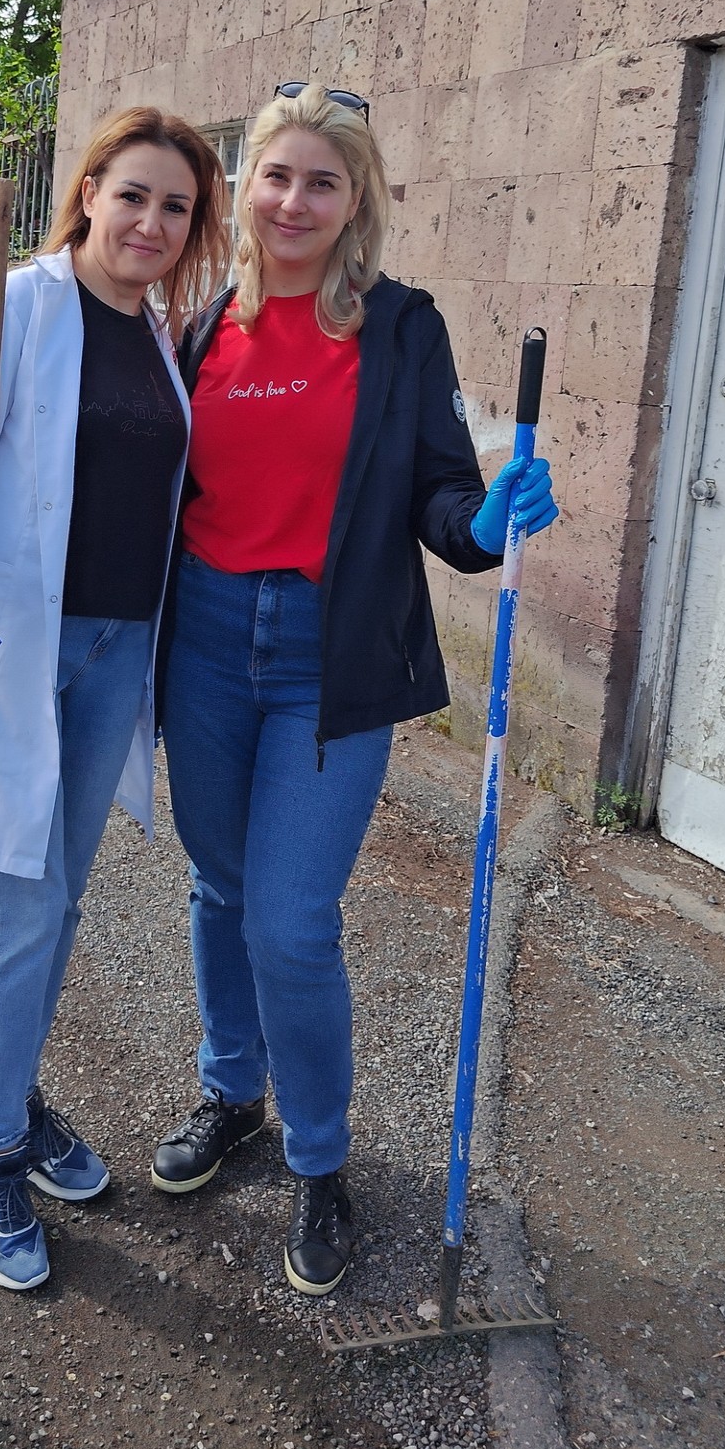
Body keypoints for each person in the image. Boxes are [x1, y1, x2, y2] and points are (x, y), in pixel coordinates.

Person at [151, 83, 558, 1297]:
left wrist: (484, 519)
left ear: (355, 199)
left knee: (289, 917)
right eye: (276, 175)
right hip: (205, 639)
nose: (293, 200)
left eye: (321, 181)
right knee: (220, 885)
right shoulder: (200, 323)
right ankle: (234, 1090)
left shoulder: (400, 326)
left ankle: (319, 1157)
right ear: (246, 188)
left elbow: (441, 494)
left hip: (330, 654)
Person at [0, 108, 229, 1293]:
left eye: (176, 206)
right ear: (88, 193)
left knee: (58, 899)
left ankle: (11, 1092)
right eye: (134, 194)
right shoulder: (20, 302)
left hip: (119, 653)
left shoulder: (162, 331)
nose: (152, 222)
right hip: (20, 646)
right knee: (19, 906)